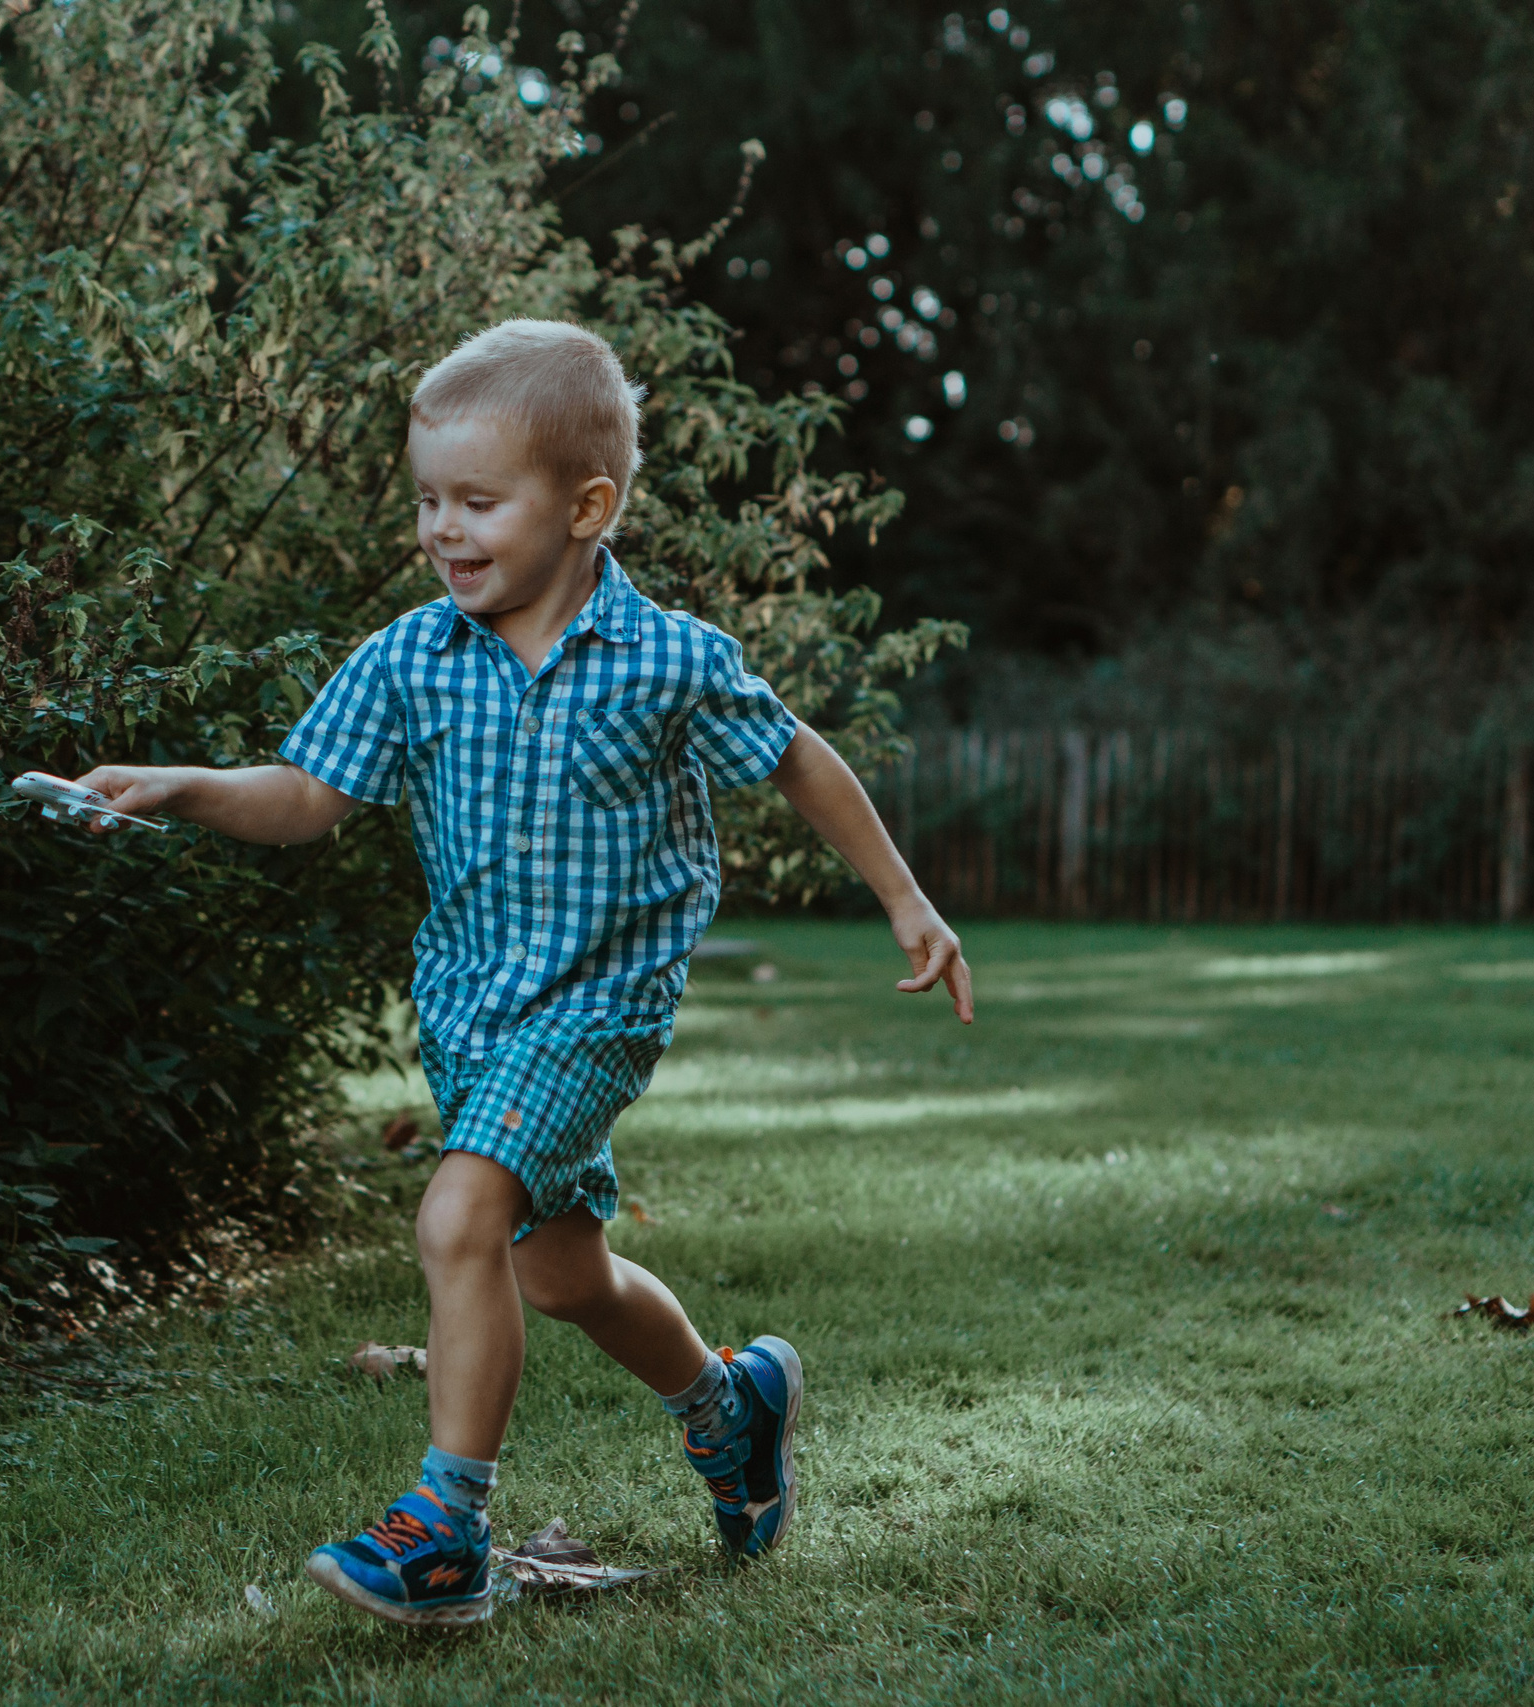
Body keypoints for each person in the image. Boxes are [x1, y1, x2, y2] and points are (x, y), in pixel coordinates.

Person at [74, 318, 974, 1627]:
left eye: (478, 501)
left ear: (587, 506)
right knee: (560, 1277)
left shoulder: (663, 658)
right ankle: (734, 1412)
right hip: (474, 1012)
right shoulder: (410, 657)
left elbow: (794, 756)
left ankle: (446, 1531)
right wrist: (184, 789)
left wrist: (904, 899)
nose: (443, 528)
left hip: (602, 1004)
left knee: (458, 1218)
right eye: (430, 499)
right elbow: (309, 795)